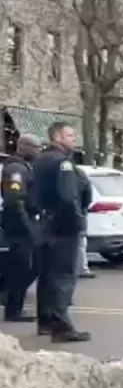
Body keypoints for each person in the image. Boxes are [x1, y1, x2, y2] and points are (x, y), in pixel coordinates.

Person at [33, 121, 91, 342]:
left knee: (47, 275)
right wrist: (76, 221)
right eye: (70, 135)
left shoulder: (41, 159)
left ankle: (46, 321)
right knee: (63, 275)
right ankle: (61, 327)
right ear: (57, 137)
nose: (74, 139)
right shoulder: (63, 163)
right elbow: (68, 197)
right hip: (63, 225)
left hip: (45, 221)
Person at [1, 134, 41, 322]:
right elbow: (13, 199)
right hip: (18, 224)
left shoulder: (24, 166)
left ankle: (14, 307)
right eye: (35, 147)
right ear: (23, 146)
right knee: (22, 268)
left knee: (26, 267)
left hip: (25, 220)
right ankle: (13, 310)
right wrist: (27, 225)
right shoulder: (15, 169)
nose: (37, 151)